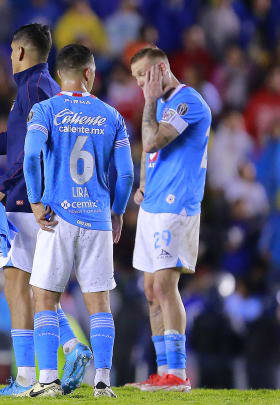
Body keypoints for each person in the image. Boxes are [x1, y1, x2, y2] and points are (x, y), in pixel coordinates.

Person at [0, 23, 91, 396]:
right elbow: (12, 142)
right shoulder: (39, 88)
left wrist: (1, 188)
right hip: (34, 197)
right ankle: (63, 351)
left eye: (11, 50)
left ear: (18, 52)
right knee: (29, 284)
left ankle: (38, 370)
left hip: (24, 199)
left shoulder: (33, 90)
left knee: (20, 286)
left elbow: (33, 154)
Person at [22, 44, 134, 398]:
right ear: (89, 73)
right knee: (99, 303)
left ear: (59, 75)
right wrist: (116, 212)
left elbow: (30, 156)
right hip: (97, 219)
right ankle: (102, 382)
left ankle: (49, 381)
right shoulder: (112, 116)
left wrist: (37, 201)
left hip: (57, 217)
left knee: (44, 298)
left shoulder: (45, 110)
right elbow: (127, 175)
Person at [127, 46, 211, 392]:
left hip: (177, 207)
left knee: (164, 285)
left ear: (161, 69)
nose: (140, 85)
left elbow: (153, 141)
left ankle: (177, 374)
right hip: (154, 206)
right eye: (135, 79)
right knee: (150, 290)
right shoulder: (160, 103)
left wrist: (148, 101)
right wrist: (144, 184)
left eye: (144, 76)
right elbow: (154, 156)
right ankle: (163, 372)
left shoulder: (187, 102)